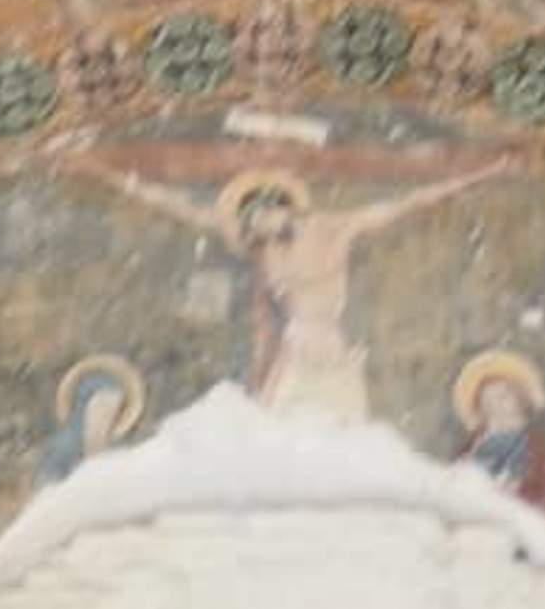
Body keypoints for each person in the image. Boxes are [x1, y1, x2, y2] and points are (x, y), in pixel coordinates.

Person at [71, 155, 509, 420]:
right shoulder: (261, 246)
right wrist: (106, 174)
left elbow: (403, 205)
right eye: (252, 226)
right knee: (282, 425)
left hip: (331, 347)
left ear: (283, 207)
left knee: (342, 426)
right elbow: (180, 207)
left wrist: (479, 175)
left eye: (264, 218)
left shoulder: (332, 229)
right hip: (293, 348)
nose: (259, 232)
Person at [450, 349, 545, 523]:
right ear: (480, 407)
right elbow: (455, 498)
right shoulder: (469, 450)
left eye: (504, 396)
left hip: (525, 528)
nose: (498, 405)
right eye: (489, 398)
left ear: (520, 400)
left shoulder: (540, 451)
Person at [37, 354, 145, 486]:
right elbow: (47, 488)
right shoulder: (60, 451)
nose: (104, 415)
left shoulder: (121, 451)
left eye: (111, 409)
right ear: (83, 407)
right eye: (98, 406)